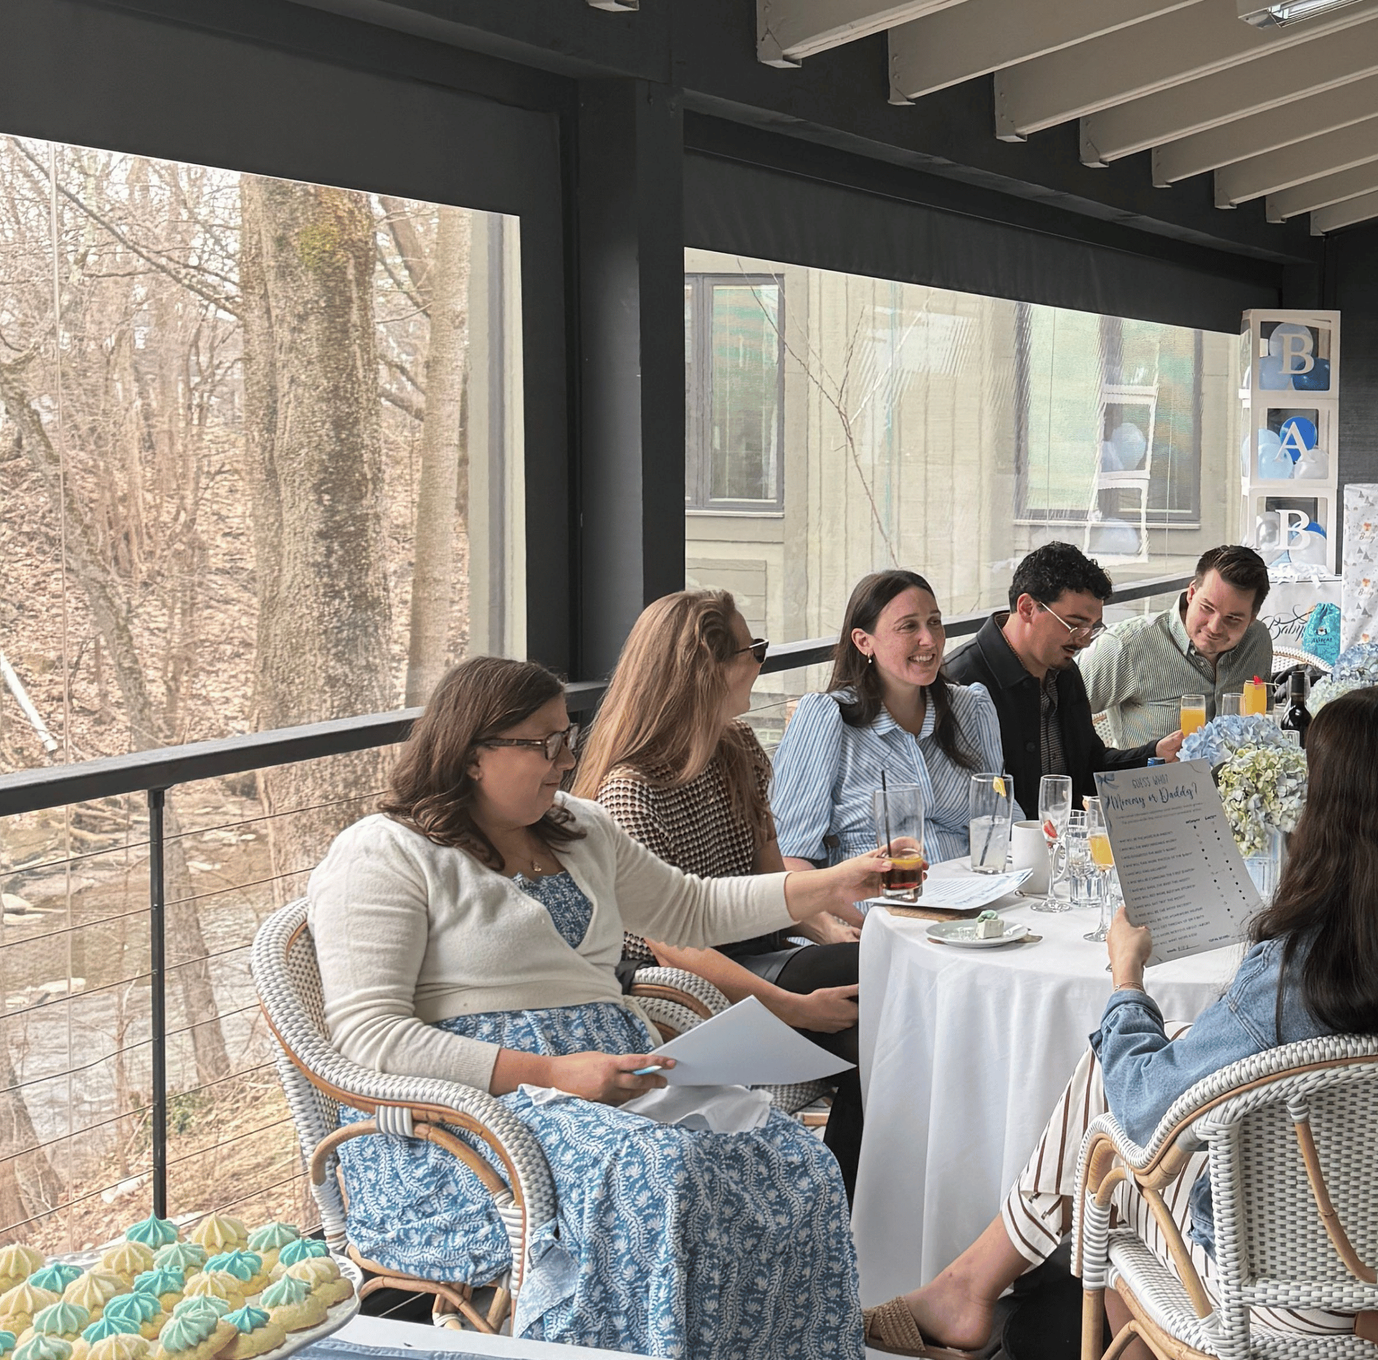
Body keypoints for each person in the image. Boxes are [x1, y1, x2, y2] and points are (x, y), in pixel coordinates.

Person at [863, 686, 1378, 1359]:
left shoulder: (1302, 971)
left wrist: (1127, 978)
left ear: (1330, 816)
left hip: (1279, 1302)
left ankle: (970, 1290)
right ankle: (967, 1290)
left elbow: (1143, 1106)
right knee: (1136, 1067)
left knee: (1110, 1113)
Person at [307, 655, 887, 1360]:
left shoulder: (578, 826)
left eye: (565, 737)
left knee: (791, 1154)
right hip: (462, 1124)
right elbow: (371, 1036)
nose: (566, 759)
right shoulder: (384, 852)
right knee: (659, 1172)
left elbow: (691, 904)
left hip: (616, 1078)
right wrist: (550, 1073)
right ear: (470, 752)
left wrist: (830, 885)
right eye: (542, 743)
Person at [575, 589, 869, 1189]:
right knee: (883, 1011)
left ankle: (847, 1215)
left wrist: (832, 923)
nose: (762, 660)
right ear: (706, 671)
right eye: (752, 649)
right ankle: (848, 1214)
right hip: (688, 989)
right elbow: (673, 945)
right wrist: (794, 1009)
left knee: (885, 1008)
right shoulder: (630, 790)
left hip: (758, 952)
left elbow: (769, 881)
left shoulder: (734, 749)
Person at [773, 571, 1005, 884]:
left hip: (969, 911)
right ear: (863, 641)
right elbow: (789, 855)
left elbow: (998, 820)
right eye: (909, 626)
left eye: (934, 622)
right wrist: (840, 926)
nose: (930, 638)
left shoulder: (972, 708)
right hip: (870, 918)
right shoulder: (828, 719)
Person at [943, 542, 1159, 806]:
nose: (1085, 640)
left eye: (1093, 627)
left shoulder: (1064, 671)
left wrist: (1154, 755)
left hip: (1068, 839)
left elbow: (1089, 766)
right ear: (1027, 608)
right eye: (1075, 624)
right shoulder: (961, 681)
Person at [1079, 545, 1276, 749]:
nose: (1214, 627)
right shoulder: (1125, 645)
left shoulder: (1257, 640)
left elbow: (1264, 721)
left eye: (1233, 618)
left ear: (1252, 618)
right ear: (1191, 593)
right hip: (1154, 778)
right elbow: (1058, 714)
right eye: (1207, 608)